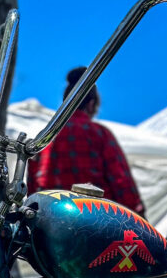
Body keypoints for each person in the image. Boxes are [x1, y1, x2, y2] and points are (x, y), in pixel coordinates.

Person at [26, 66, 145, 215]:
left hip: (49, 223)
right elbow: (122, 186)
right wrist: (139, 217)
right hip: (95, 224)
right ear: (91, 104)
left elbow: (32, 192)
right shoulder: (100, 134)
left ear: (65, 103)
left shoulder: (45, 137)